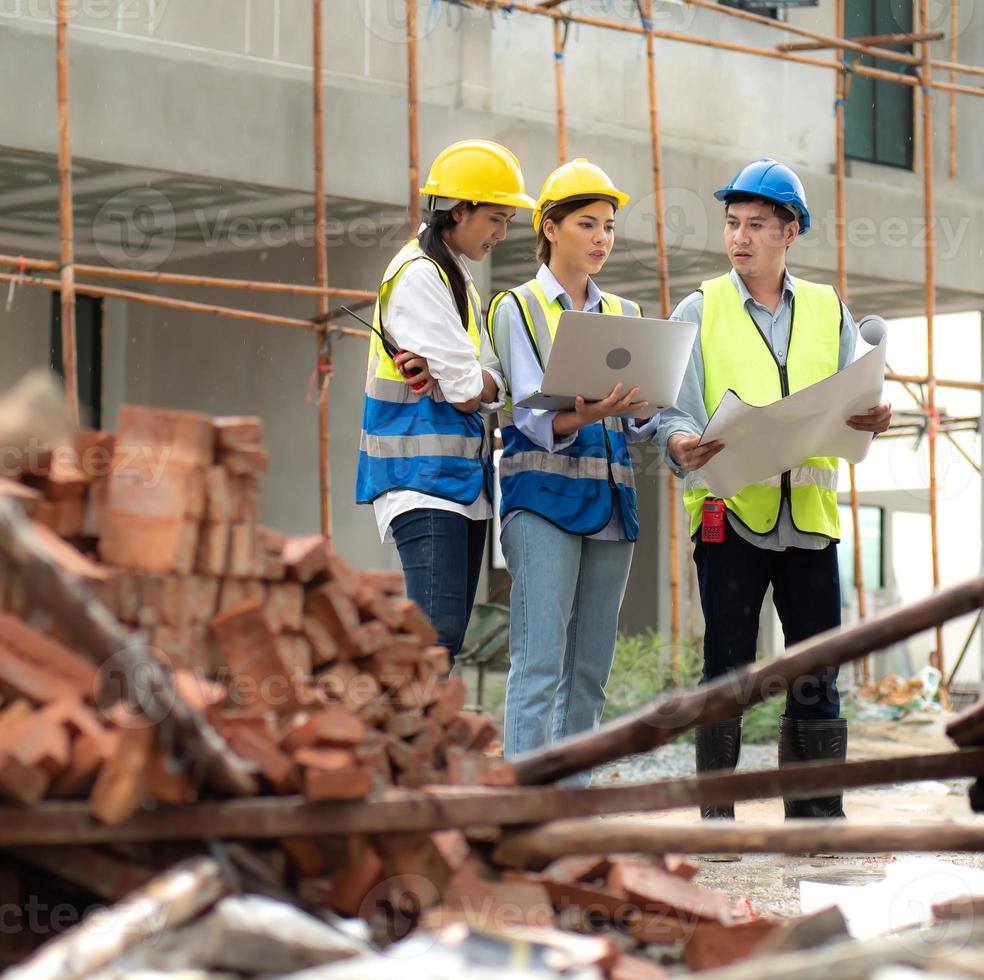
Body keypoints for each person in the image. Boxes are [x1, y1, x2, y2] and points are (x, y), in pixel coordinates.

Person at [656, 157, 892, 820]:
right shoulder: (699, 308)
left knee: (817, 670)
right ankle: (717, 816)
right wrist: (677, 442)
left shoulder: (827, 310)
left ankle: (817, 817)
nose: (739, 237)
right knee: (727, 672)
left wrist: (877, 414)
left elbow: (858, 390)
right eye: (732, 224)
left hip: (811, 519)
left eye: (756, 224)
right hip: (729, 515)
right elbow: (671, 409)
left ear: (790, 231)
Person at [486, 159, 654, 779]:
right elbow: (528, 416)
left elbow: (639, 424)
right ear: (550, 227)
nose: (602, 238)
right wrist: (588, 413)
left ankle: (573, 807)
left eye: (609, 226)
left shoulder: (627, 314)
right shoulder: (518, 307)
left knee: (589, 670)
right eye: (587, 223)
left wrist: (637, 411)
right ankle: (525, 808)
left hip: (610, 504)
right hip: (541, 502)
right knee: (537, 664)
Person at [355, 139, 535, 667]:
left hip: (457, 483)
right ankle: (403, 744)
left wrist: (478, 381)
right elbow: (467, 389)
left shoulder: (453, 275)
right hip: (422, 481)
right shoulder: (419, 276)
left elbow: (489, 381)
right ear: (460, 211)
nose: (502, 233)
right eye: (496, 219)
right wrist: (475, 382)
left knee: (443, 638)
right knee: (435, 638)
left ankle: (413, 744)